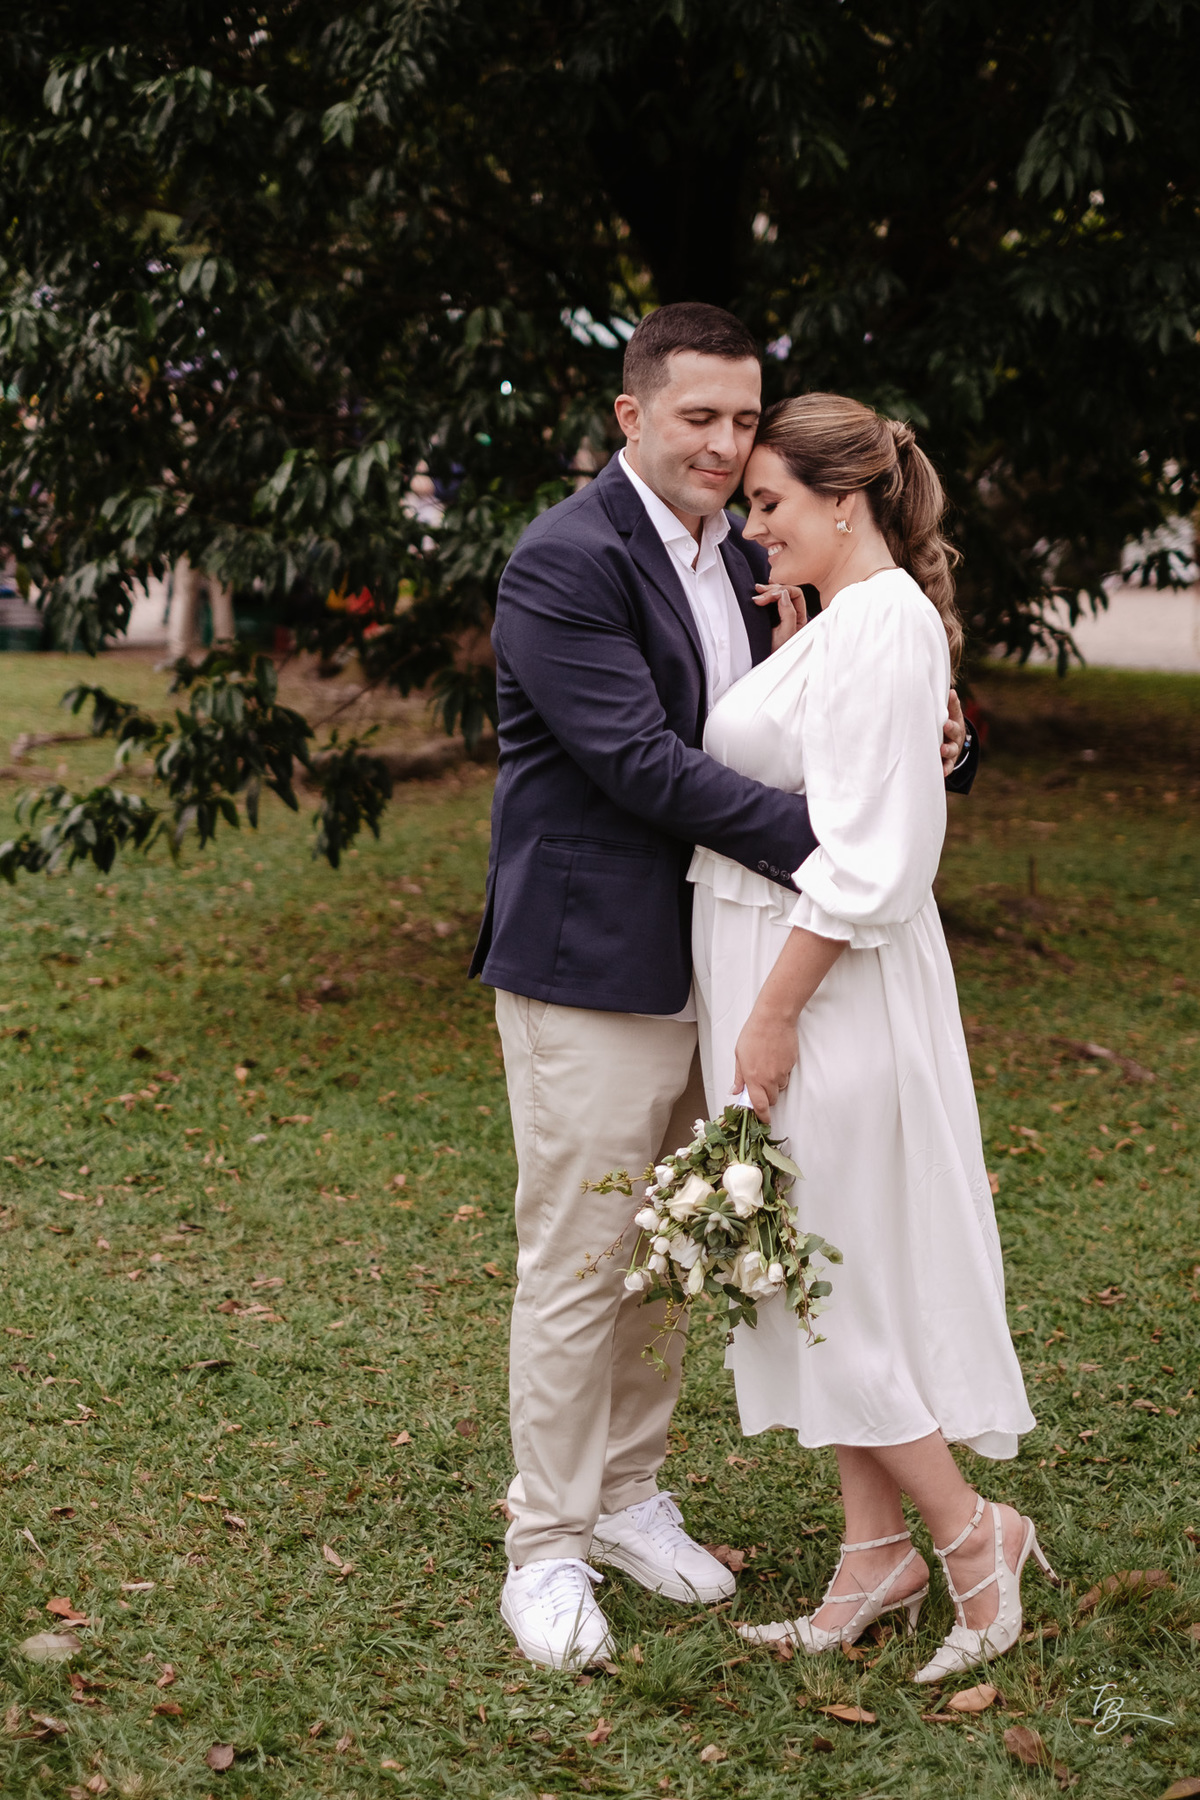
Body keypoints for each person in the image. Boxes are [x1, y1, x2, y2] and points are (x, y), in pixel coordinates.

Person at [469, 305, 974, 1670]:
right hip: (595, 965)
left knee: (669, 1253)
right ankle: (547, 1548)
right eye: (698, 416)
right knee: (580, 1257)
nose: (725, 443)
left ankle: (629, 1497)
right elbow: (640, 761)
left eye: (746, 419)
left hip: (733, 957)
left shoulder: (758, 552)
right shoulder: (567, 558)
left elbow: (824, 726)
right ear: (630, 415)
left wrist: (926, 751)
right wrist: (851, 850)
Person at [689, 392, 1049, 1683]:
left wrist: (772, 1015)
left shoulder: (885, 625)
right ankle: (870, 1555)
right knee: (806, 1265)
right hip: (789, 979)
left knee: (832, 1279)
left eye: (772, 504)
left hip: (824, 998)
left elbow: (869, 858)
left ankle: (971, 1539)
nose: (753, 527)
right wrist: (799, 643)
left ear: (846, 502)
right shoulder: (847, 623)